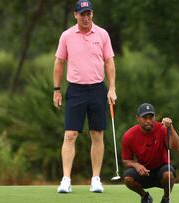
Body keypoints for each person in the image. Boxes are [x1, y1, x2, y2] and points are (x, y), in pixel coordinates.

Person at [53, 0, 117, 193]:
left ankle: (95, 179)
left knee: (97, 134)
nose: (86, 17)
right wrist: (56, 89)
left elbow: (109, 62)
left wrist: (112, 88)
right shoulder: (67, 36)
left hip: (97, 88)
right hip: (76, 89)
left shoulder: (102, 34)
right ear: (75, 15)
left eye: (89, 13)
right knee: (70, 134)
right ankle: (66, 179)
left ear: (92, 14)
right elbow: (59, 63)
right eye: (82, 14)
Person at [121, 103, 179, 203]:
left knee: (168, 174)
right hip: (144, 172)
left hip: (162, 170)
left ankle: (166, 198)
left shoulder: (162, 129)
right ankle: (145, 197)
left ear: (155, 117)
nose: (148, 121)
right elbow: (126, 160)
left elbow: (178, 147)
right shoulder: (129, 136)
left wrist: (170, 128)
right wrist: (136, 165)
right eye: (145, 118)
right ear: (138, 118)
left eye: (151, 117)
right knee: (128, 179)